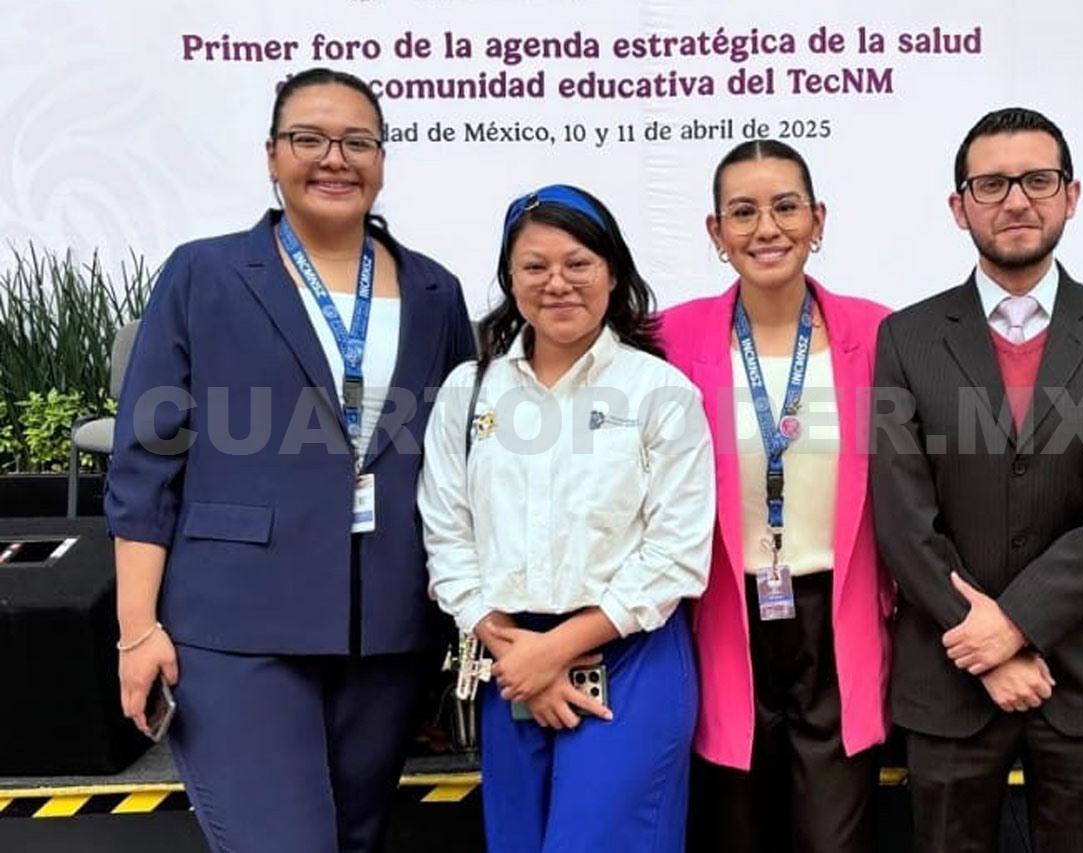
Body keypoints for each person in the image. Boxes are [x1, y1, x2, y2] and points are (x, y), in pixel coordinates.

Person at [106, 67, 475, 853]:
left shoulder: (435, 291)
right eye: (309, 138)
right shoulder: (203, 274)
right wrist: (137, 630)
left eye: (357, 141)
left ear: (382, 160)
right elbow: (145, 463)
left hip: (388, 628)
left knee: (355, 839)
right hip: (237, 624)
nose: (334, 158)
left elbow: (459, 458)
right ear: (272, 155)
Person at [870, 106, 1083, 852]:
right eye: (992, 184)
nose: (1015, 200)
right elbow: (902, 514)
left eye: (1037, 180)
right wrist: (983, 639)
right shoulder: (905, 337)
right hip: (952, 674)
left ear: (1071, 194)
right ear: (959, 206)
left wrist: (1015, 625)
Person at [419, 184, 716, 852]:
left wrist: (553, 651)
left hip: (630, 660)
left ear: (613, 272)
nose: (557, 283)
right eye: (535, 266)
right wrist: (515, 649)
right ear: (509, 278)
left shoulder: (659, 392)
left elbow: (675, 553)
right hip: (510, 660)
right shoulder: (470, 391)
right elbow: (447, 534)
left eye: (578, 263)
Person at [660, 140, 894, 853]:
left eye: (786, 207)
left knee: (835, 834)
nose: (767, 228)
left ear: (817, 219)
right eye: (743, 212)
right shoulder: (670, 338)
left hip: (837, 611)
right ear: (716, 231)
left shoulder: (879, 333)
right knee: (736, 827)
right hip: (723, 612)